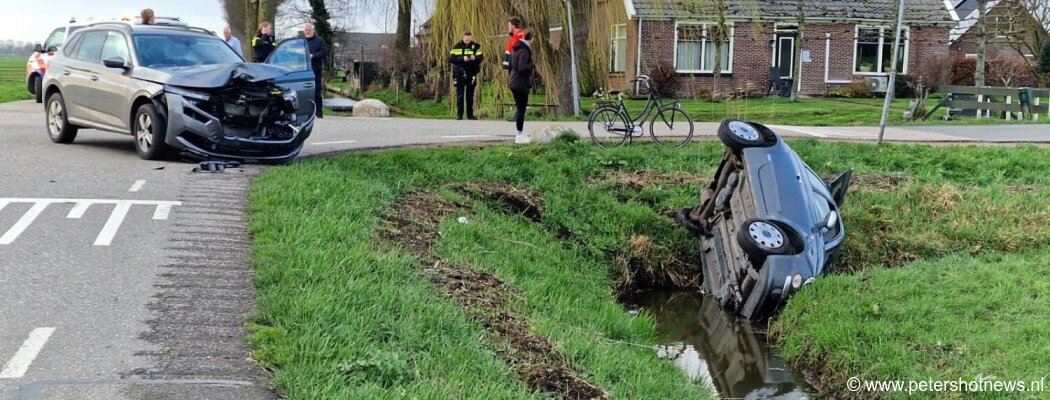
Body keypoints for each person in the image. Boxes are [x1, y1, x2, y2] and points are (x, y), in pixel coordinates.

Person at [449, 31, 483, 120]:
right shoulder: (456, 46)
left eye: (469, 37)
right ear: (463, 37)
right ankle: (459, 115)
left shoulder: (475, 47)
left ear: (471, 38)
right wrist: (462, 58)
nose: (467, 38)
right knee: (460, 95)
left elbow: (481, 58)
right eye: (466, 36)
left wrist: (474, 58)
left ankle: (470, 115)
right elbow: (451, 59)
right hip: (459, 73)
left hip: (471, 74)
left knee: (470, 95)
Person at [509, 30, 535, 144]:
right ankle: (519, 135)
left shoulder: (516, 49)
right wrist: (531, 65)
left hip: (514, 81)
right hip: (520, 83)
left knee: (520, 110)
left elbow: (511, 65)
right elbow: (522, 68)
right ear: (532, 38)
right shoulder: (524, 51)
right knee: (521, 110)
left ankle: (520, 133)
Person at [304, 23, 328, 118]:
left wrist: (313, 55)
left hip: (315, 69)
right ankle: (306, 112)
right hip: (303, 70)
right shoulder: (301, 41)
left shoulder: (320, 40)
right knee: (304, 90)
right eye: (306, 30)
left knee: (316, 90)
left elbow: (324, 52)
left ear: (313, 30)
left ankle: (319, 112)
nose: (308, 31)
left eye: (309, 30)